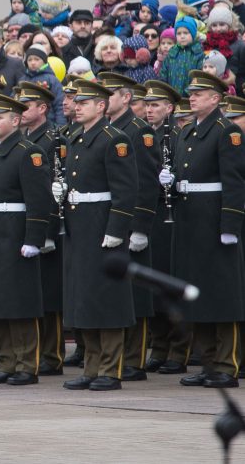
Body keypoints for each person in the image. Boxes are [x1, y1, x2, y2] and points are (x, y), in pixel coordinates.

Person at [161, 70, 245, 388]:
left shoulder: (227, 132)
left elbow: (235, 183)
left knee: (223, 296)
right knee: (200, 295)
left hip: (214, 222)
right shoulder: (186, 133)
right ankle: (208, 361)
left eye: (199, 93)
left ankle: (227, 364)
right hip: (190, 221)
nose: (192, 97)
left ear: (216, 99)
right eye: (191, 93)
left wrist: (230, 225)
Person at [57, 79, 138, 392]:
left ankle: (110, 369)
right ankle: (91, 367)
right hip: (80, 226)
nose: (77, 107)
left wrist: (117, 230)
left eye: (84, 103)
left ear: (101, 106)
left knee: (107, 300)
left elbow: (125, 190)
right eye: (77, 102)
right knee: (84, 299)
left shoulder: (113, 139)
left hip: (102, 226)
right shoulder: (78, 138)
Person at [0, 93, 52, 387]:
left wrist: (34, 238)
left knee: (19, 304)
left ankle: (26, 364)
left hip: (15, 234)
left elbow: (39, 200)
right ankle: (8, 361)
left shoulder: (27, 152)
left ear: (16, 120)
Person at [97, 72, 159, 382]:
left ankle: (135, 358)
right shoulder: (109, 130)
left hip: (131, 222)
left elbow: (146, 184)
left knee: (135, 292)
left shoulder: (138, 131)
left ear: (126, 98)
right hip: (112, 221)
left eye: (110, 94)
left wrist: (141, 226)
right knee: (118, 291)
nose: (104, 99)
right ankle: (121, 356)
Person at [141, 79, 193, 375]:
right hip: (154, 215)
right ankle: (159, 346)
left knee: (171, 283)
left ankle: (178, 350)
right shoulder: (146, 135)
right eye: (147, 105)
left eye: (156, 105)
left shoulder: (178, 135)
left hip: (171, 216)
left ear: (170, 108)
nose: (150, 110)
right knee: (155, 286)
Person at [16, 81, 66, 376]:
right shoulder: (26, 138)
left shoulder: (52, 139)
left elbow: (54, 190)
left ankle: (53, 354)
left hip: (47, 225)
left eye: (28, 105)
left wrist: (48, 230)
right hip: (26, 224)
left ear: (43, 109)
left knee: (49, 294)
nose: (22, 111)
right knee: (35, 293)